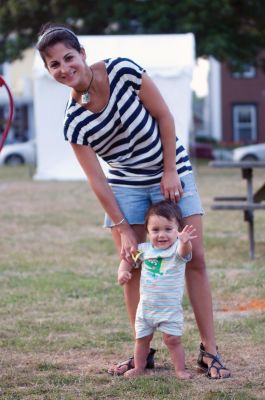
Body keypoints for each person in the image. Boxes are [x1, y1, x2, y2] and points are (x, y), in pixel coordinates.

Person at [36, 22, 230, 379]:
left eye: (68, 57)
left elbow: (165, 117)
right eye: (54, 65)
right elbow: (97, 179)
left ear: (83, 54)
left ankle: (210, 351)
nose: (64, 68)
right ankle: (145, 353)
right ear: (49, 72)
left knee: (195, 257)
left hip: (170, 169)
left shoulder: (123, 71)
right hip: (125, 185)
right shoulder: (73, 121)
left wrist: (169, 170)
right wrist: (123, 228)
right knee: (135, 264)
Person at [118, 200, 196, 379]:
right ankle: (139, 367)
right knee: (142, 340)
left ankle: (180, 370)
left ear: (178, 230)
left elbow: (185, 253)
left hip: (169, 309)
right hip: (146, 308)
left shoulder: (177, 249)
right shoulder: (144, 250)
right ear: (147, 231)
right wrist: (122, 272)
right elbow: (129, 259)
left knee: (173, 340)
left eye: (168, 229)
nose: (162, 235)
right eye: (155, 230)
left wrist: (184, 242)